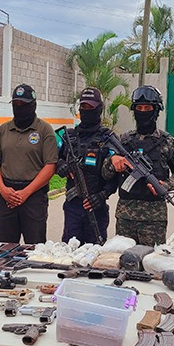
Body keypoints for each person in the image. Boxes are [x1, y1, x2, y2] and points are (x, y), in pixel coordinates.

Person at [102, 85, 174, 246]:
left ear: (156, 110)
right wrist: (113, 162)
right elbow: (105, 174)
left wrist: (167, 184)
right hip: (125, 215)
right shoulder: (123, 140)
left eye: (147, 107)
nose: (143, 111)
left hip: (154, 218)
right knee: (124, 262)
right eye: (139, 108)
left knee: (151, 263)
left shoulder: (167, 142)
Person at [0, 84, 58, 243]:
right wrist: (2, 189)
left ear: (33, 105)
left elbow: (50, 166)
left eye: (23, 105)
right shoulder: (4, 130)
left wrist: (26, 192)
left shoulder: (44, 130)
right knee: (5, 249)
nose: (19, 108)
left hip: (33, 197)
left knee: (35, 250)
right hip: (7, 194)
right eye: (16, 104)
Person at [56, 87, 117, 244]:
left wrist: (103, 195)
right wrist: (61, 165)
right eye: (83, 106)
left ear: (99, 109)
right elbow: (55, 159)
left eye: (90, 107)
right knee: (70, 251)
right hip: (73, 207)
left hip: (97, 206)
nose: (86, 110)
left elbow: (118, 175)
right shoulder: (69, 136)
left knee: (95, 253)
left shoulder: (108, 138)